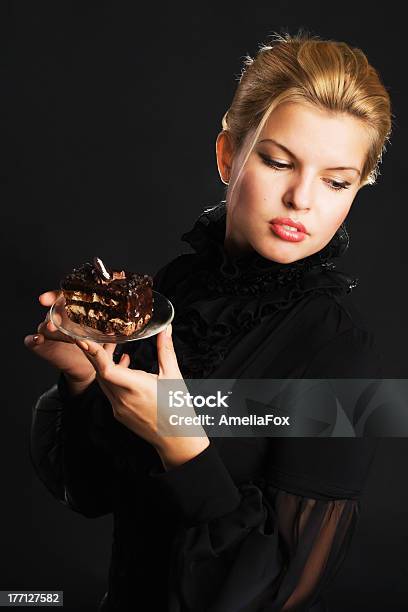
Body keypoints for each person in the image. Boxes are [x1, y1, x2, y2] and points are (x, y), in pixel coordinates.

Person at [25, 30, 393, 611]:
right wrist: (82, 380)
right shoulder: (176, 290)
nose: (302, 198)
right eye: (278, 162)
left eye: (336, 181)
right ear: (228, 155)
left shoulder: (340, 354)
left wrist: (184, 445)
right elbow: (91, 492)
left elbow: (278, 594)